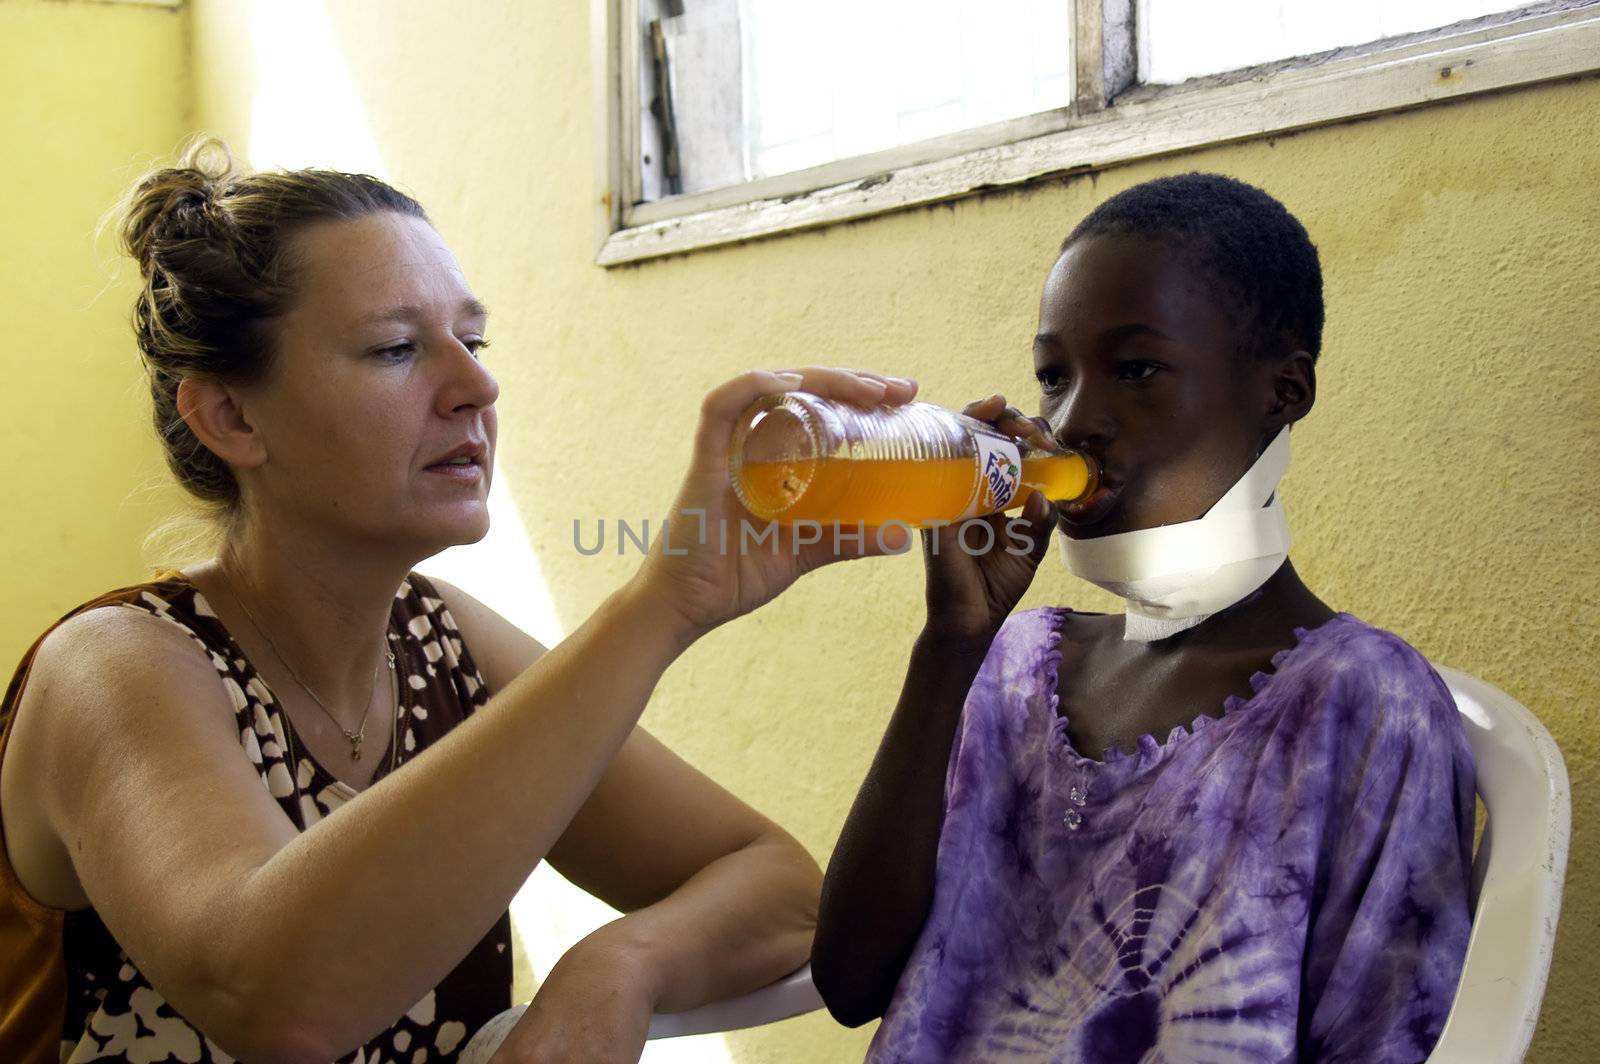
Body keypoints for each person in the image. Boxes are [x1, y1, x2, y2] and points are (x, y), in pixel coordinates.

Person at [0, 138, 918, 1064]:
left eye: (472, 341)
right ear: (232, 418)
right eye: (397, 349)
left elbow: (784, 892)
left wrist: (619, 966)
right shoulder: (116, 668)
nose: (477, 387)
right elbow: (279, 1002)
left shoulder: (443, 644)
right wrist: (659, 605)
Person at [812, 173, 1476, 1063]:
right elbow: (852, 985)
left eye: (1136, 370)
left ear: (1283, 390)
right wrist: (949, 648)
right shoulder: (1014, 664)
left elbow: (1386, 1036)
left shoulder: (1363, 704)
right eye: (1055, 377)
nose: (1074, 420)